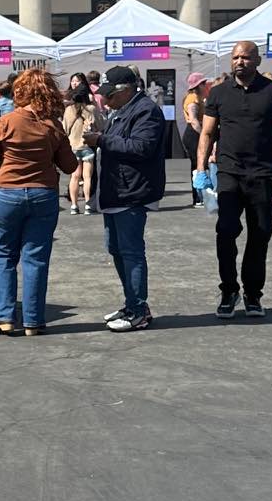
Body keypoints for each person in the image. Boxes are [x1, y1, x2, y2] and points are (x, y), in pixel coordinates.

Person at [195, 41, 272, 321]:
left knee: (260, 234)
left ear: (258, 60)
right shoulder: (217, 94)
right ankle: (229, 290)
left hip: (264, 173)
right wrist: (200, 169)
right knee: (226, 231)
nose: (240, 62)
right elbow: (206, 133)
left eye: (246, 57)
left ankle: (253, 293)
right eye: (236, 57)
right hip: (229, 172)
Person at [0, 68, 76, 336]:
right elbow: (69, 166)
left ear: (20, 91)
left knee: (3, 255)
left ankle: (5, 317)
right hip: (44, 194)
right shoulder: (53, 125)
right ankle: (33, 321)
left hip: (8, 193)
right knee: (36, 258)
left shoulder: (7, 120)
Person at [97, 65, 166, 333]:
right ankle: (132, 303)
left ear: (125, 90)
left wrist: (101, 140)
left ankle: (138, 310)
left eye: (109, 95)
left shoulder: (146, 110)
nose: (105, 99)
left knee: (131, 252)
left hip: (132, 192)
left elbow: (142, 147)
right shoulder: (123, 110)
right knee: (117, 249)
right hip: (117, 191)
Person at [61, 82, 102, 215]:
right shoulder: (91, 109)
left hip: (73, 146)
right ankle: (88, 205)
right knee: (87, 177)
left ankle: (74, 205)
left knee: (74, 177)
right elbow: (100, 126)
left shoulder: (69, 110)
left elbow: (65, 129)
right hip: (87, 146)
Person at [180, 73, 210, 203]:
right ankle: (198, 197)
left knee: (198, 164)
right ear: (198, 85)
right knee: (198, 164)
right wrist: (203, 133)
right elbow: (193, 120)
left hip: (193, 133)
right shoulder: (193, 99)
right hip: (193, 134)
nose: (205, 85)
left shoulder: (197, 97)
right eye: (203, 83)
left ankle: (199, 196)